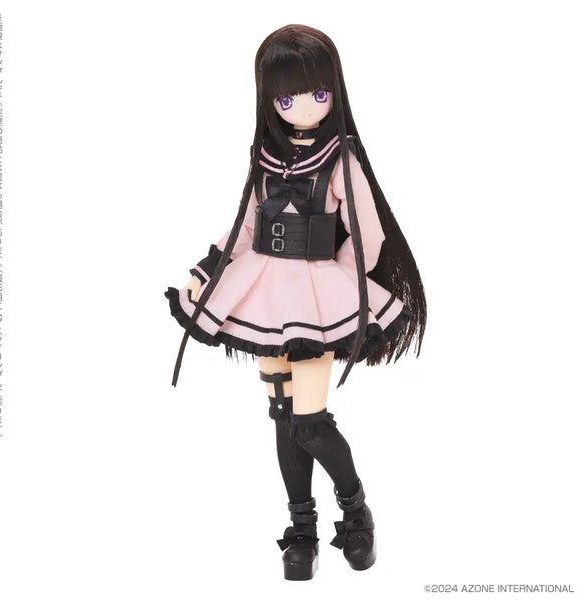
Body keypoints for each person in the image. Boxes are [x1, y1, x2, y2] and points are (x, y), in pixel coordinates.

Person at [165, 24, 427, 580]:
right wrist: (205, 271)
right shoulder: (264, 157)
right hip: (264, 296)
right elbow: (245, 227)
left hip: (314, 301)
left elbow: (368, 234)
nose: (304, 108)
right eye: (287, 99)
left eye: (318, 93)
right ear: (269, 100)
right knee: (284, 418)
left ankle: (355, 512)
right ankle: (302, 528)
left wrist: (340, 284)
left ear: (335, 91)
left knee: (310, 422)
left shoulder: (340, 159)